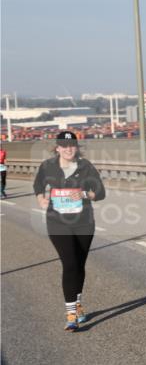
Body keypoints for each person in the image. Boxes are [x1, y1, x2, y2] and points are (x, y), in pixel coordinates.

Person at [32, 131, 106, 331]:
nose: (68, 149)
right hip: (58, 223)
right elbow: (38, 184)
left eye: (71, 145)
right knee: (70, 263)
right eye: (64, 145)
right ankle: (71, 313)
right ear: (57, 148)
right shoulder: (48, 166)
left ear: (77, 147)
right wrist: (41, 199)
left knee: (80, 264)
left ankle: (79, 304)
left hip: (84, 222)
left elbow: (100, 192)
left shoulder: (86, 166)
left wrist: (81, 194)